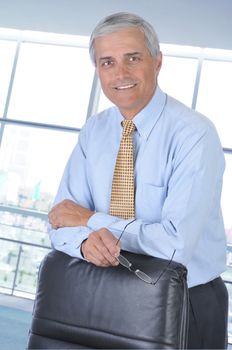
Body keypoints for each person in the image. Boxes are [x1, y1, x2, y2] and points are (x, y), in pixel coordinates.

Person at [48, 12, 228, 349]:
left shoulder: (194, 134)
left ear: (157, 61)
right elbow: (59, 221)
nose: (121, 74)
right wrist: (85, 244)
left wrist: (89, 220)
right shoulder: (94, 131)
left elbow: (174, 246)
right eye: (107, 62)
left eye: (133, 58)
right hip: (105, 291)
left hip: (185, 300)